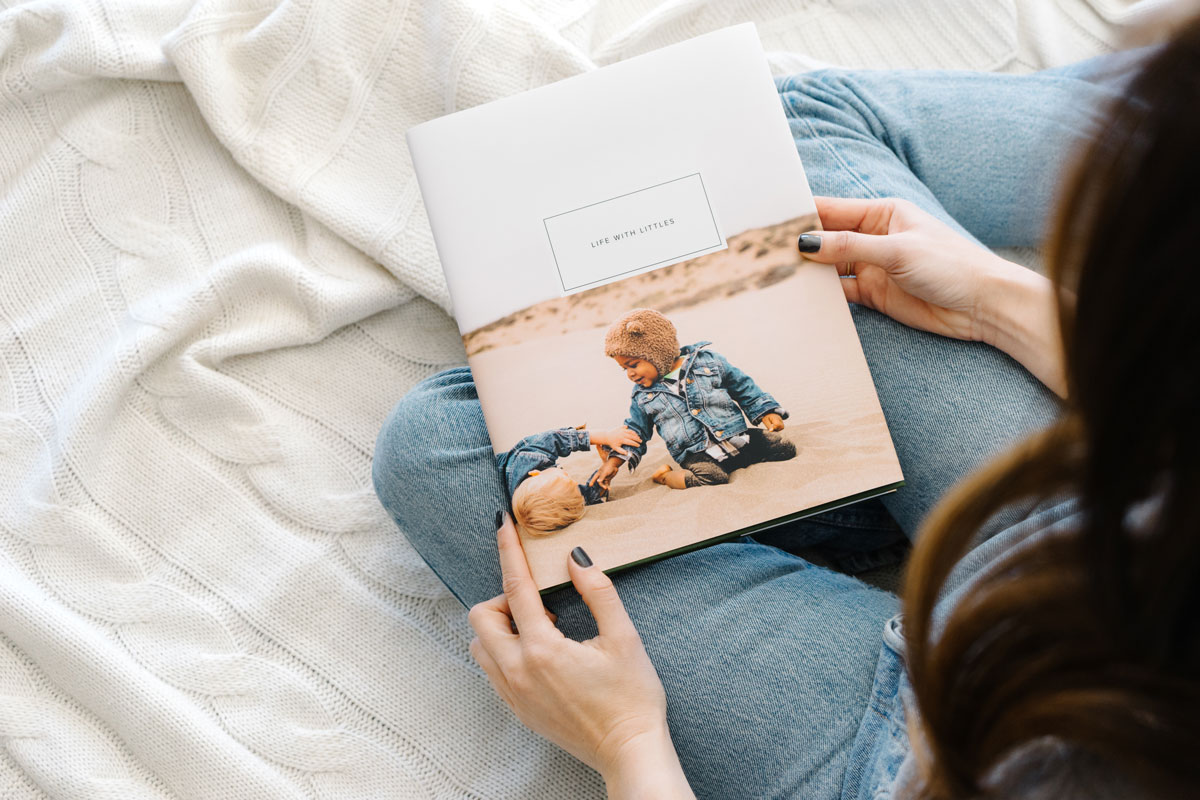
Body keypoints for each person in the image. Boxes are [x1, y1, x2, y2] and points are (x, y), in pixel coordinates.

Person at [371, 20, 1200, 800]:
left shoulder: (701, 363)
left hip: (910, 762)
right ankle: (864, 500)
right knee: (799, 181)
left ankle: (846, 497)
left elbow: (746, 389)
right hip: (1102, 560)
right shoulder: (647, 391)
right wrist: (1000, 303)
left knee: (435, 448)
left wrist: (628, 743)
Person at [595, 307, 794, 491]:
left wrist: (765, 411)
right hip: (698, 453)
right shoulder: (642, 397)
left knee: (784, 448)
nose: (630, 374)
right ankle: (665, 477)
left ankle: (747, 455)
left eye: (634, 364)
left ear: (657, 352)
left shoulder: (707, 362)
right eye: (624, 369)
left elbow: (742, 387)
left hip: (736, 436)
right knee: (713, 477)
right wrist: (614, 462)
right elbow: (635, 432)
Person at [499, 425, 641, 532]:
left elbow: (555, 439)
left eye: (563, 474)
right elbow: (586, 498)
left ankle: (578, 431)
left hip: (506, 462)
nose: (568, 474)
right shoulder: (551, 501)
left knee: (561, 437)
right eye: (572, 483)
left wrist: (605, 437)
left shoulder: (530, 459)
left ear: (536, 473)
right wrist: (603, 476)